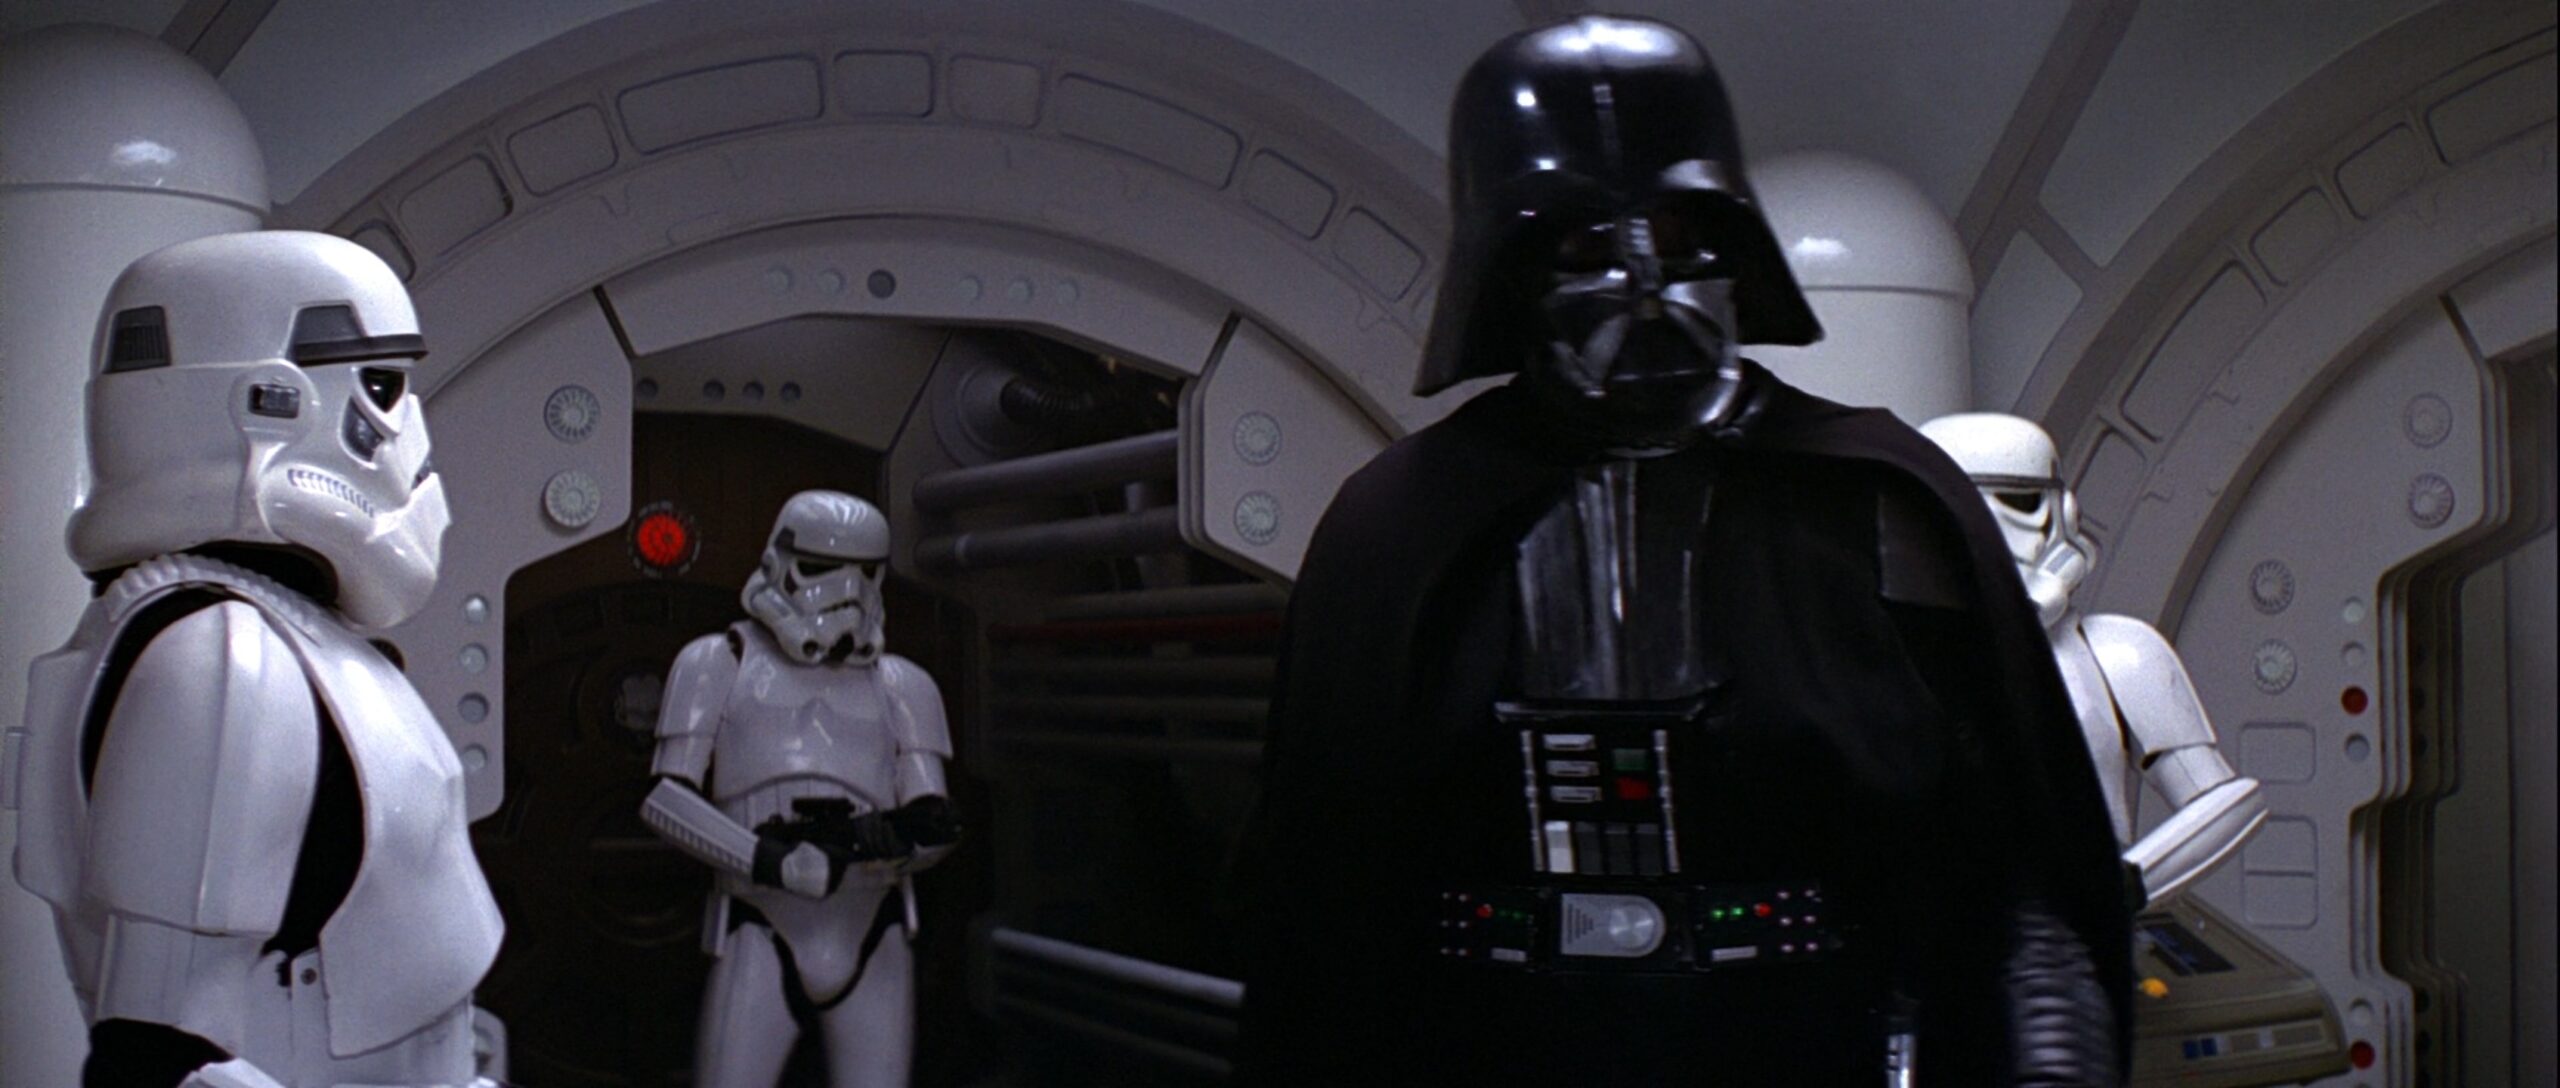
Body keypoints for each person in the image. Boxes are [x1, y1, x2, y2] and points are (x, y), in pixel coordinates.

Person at [1234, 17, 2130, 1086]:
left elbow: (2020, 882)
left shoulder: (1880, 499)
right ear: (1509, 269)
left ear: (1733, 241)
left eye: (1675, 230)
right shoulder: (1402, 528)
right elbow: (1322, 911)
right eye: (1585, 246)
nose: (1643, 284)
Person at [8, 231, 501, 1087]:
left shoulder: (276, 636)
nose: (407, 432)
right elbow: (158, 1061)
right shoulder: (220, 659)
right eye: (382, 388)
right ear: (267, 403)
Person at [640, 491, 959, 1088]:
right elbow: (665, 801)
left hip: (872, 925)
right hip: (760, 922)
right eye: (821, 567)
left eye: (866, 574)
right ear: (778, 562)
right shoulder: (718, 662)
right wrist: (770, 861)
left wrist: (888, 843)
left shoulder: (902, 684)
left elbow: (932, 818)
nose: (848, 593)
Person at [1922, 413, 2267, 909]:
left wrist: (2127, 884)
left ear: (2062, 514)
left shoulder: (2118, 654)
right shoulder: (1881, 654)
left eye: (2016, 503)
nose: (1988, 533)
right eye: (1954, 506)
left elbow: (2224, 801)